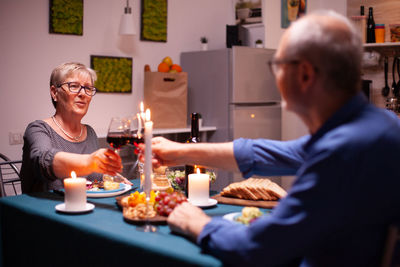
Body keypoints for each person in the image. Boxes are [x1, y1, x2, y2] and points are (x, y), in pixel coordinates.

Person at [145, 11, 400, 267]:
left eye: (278, 66)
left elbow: (256, 248)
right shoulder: (375, 125)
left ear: (305, 74)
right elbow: (265, 153)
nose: (275, 76)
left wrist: (195, 222)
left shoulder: (343, 151)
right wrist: (178, 151)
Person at [21, 62, 126, 193]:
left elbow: (93, 180)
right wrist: (90, 161)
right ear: (54, 93)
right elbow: (43, 162)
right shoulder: (38, 129)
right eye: (74, 86)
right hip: (43, 210)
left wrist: (109, 177)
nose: (83, 94)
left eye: (88, 88)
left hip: (85, 209)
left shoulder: (90, 132)